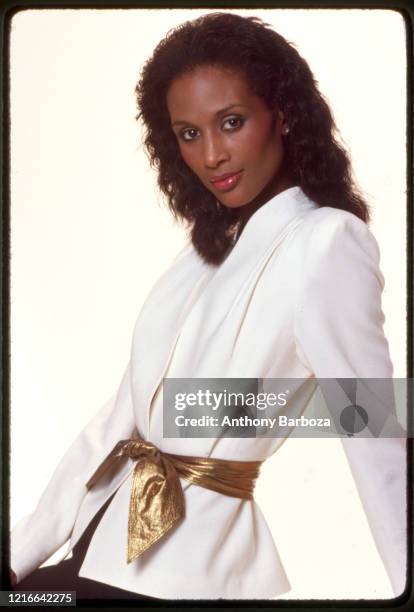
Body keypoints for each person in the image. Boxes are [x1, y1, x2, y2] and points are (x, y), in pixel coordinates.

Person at [10, 12, 406, 600]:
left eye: (232, 122)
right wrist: (16, 560)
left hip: (184, 569)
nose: (213, 154)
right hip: (99, 544)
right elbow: (116, 426)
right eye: (190, 134)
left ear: (285, 115)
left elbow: (371, 426)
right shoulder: (200, 254)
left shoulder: (326, 242)